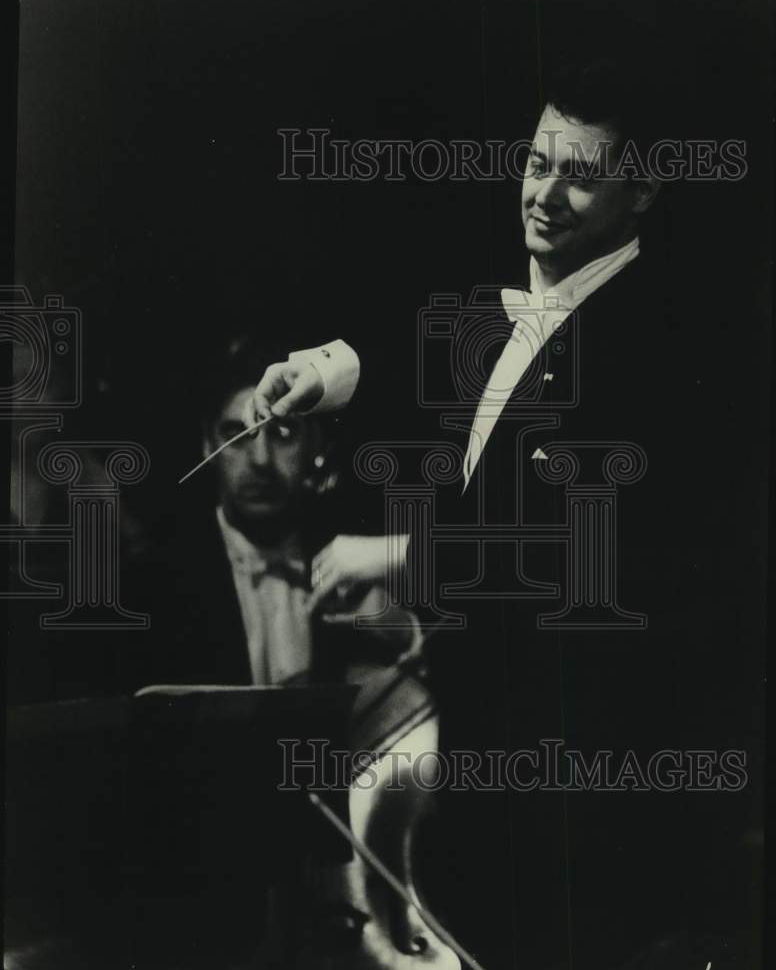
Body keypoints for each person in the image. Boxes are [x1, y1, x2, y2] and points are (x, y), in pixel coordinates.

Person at [242, 62, 754, 968]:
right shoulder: (506, 300)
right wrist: (317, 372)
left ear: (643, 191)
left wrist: (395, 555)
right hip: (486, 772)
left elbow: (583, 548)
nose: (544, 195)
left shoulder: (671, 345)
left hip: (588, 793)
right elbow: (412, 348)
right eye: (536, 162)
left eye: (580, 175)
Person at [127, 334, 461, 969]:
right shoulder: (153, 587)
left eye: (282, 436)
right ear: (207, 448)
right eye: (237, 436)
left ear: (316, 450)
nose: (257, 459)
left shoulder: (357, 559)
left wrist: (396, 624)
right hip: (208, 892)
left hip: (343, 889)